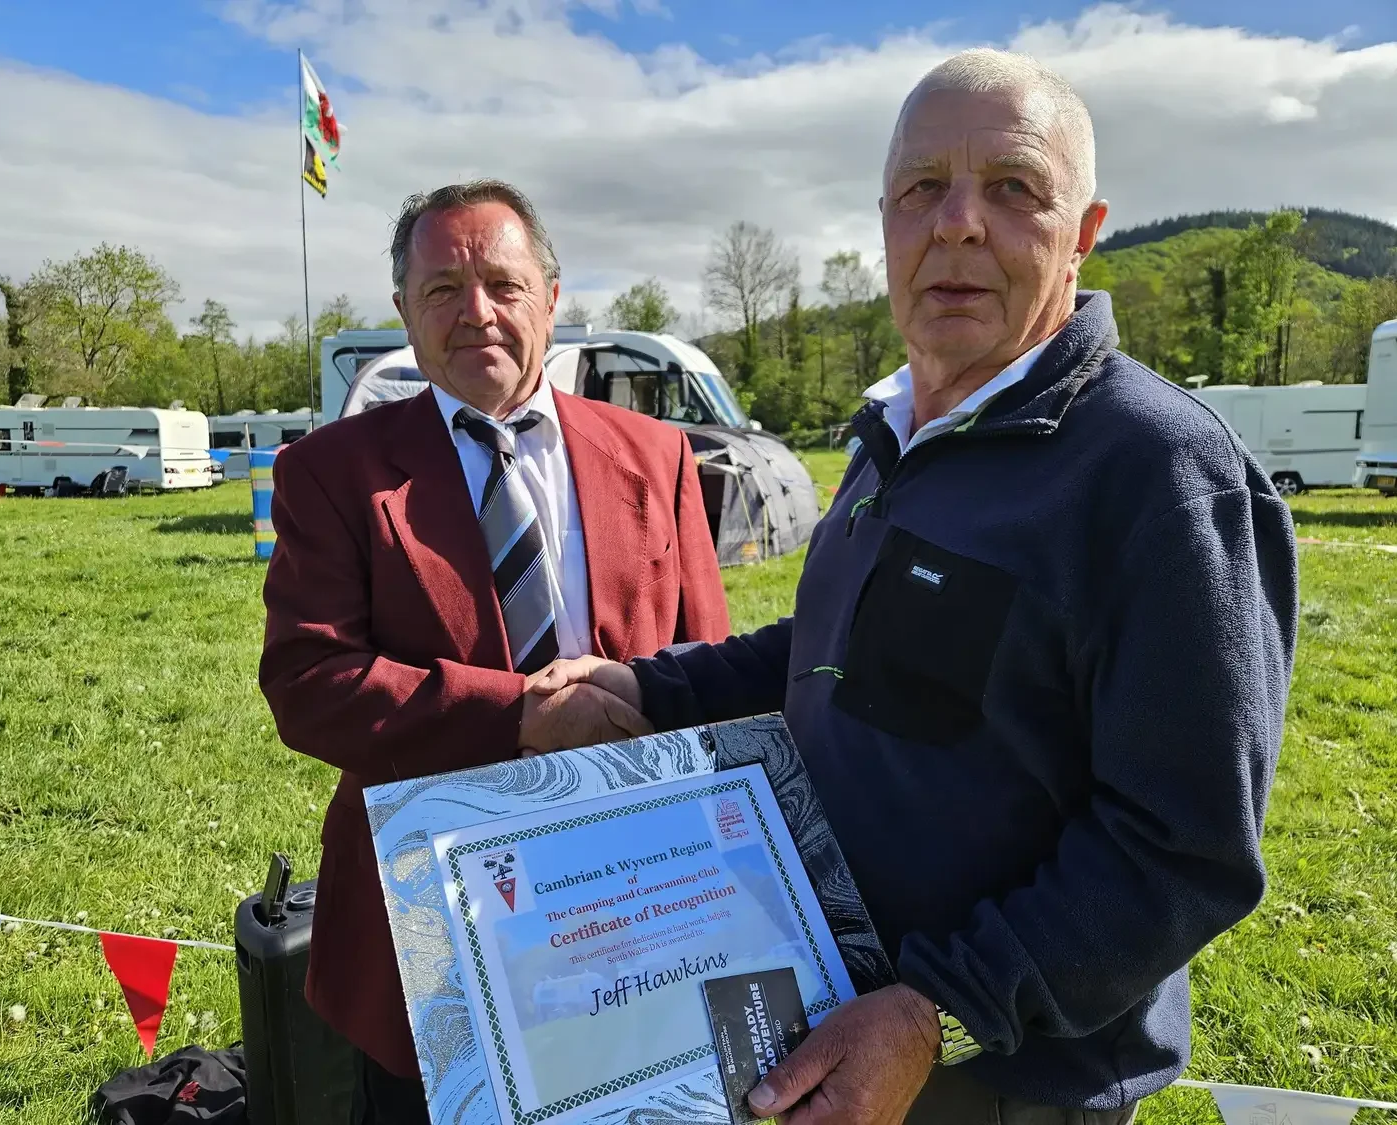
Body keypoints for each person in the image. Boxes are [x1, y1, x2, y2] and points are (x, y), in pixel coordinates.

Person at [532, 49, 1299, 1125]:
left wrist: (938, 1009)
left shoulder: (1159, 473)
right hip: (819, 1021)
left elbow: (1184, 852)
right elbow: (834, 647)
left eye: (1015, 188)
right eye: (922, 189)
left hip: (990, 1085)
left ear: (1085, 234)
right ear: (887, 221)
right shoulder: (897, 432)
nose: (959, 224)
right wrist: (651, 688)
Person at [258, 179, 731, 1125]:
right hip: (428, 915)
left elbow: (708, 663)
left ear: (551, 297)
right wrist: (518, 711)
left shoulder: (658, 454)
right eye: (441, 290)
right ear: (403, 312)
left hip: (637, 896)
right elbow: (308, 684)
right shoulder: (330, 472)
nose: (475, 312)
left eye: (503, 285)